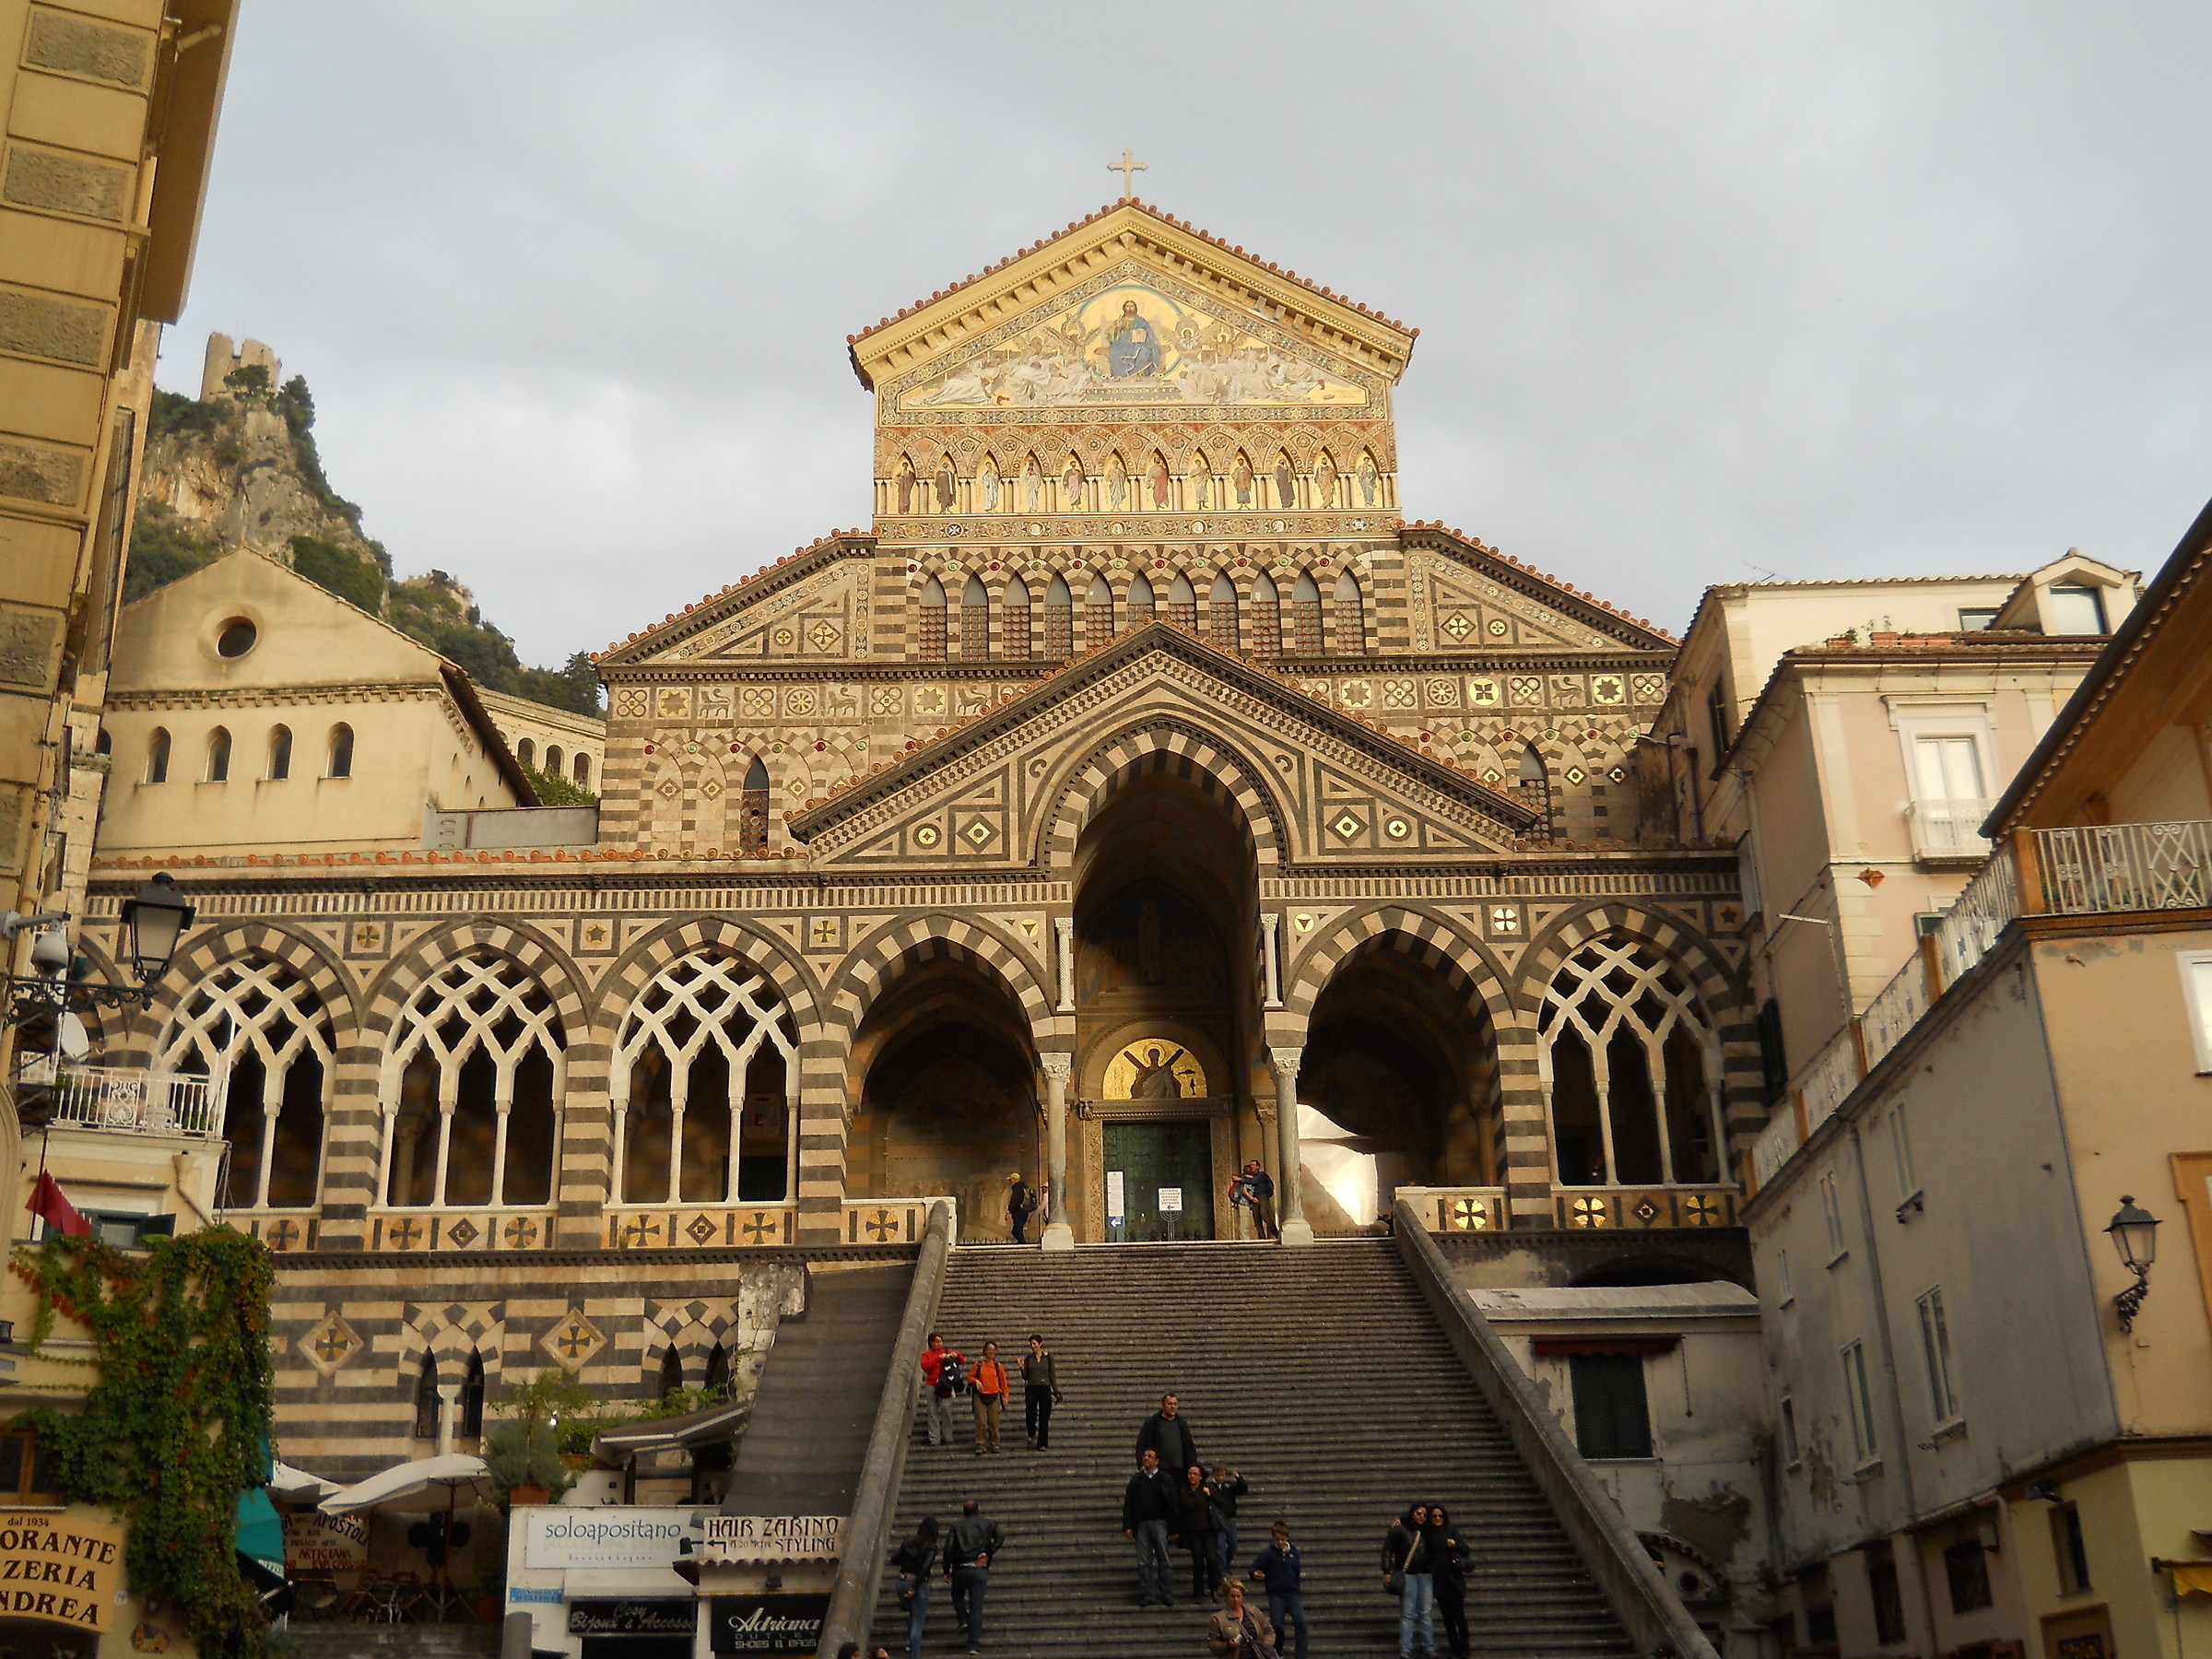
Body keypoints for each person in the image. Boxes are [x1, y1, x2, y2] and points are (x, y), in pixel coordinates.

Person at [1122, 1446, 1179, 1607]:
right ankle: (1148, 1594)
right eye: (1145, 1456)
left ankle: (1167, 1593)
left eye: (1150, 1456)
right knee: (1143, 1561)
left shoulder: (1165, 1479)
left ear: (1157, 1461)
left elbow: (1173, 1503)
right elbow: (1128, 1503)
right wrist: (1128, 1525)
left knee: (1164, 1559)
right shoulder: (1136, 1480)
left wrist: (1174, 1527)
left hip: (1160, 1522)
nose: (1146, 1458)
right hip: (1141, 1524)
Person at [945, 1499, 1003, 1655]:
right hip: (979, 1569)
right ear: (978, 1511)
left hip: (961, 1569)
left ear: (964, 1513)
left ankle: (963, 1619)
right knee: (976, 1608)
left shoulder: (956, 1526)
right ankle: (973, 1645)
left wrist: (946, 1570)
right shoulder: (989, 1523)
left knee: (956, 1594)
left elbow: (948, 1548)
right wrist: (988, 1552)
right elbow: (1000, 1536)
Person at [1248, 1520, 1309, 1659]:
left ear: (1287, 1538)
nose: (1280, 1542)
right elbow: (1253, 1568)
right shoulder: (1268, 1554)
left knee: (1300, 1622)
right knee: (1276, 1625)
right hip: (1276, 1594)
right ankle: (1277, 1652)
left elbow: (1296, 1571)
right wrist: (1255, 1574)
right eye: (1277, 1540)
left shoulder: (1294, 1552)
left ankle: (1301, 1655)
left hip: (1292, 1593)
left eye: (1282, 1539)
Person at [1383, 1504, 1436, 1659]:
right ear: (1412, 1513)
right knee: (1408, 1613)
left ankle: (1429, 1647)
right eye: (1418, 1513)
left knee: (1426, 1613)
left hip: (1425, 1574)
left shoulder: (1429, 1531)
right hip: (1408, 1575)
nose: (1422, 1517)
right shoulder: (1400, 1530)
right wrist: (1386, 1570)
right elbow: (1387, 1549)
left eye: (1424, 1514)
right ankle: (1405, 1648)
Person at [889, 1516, 940, 1659]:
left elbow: (894, 1559)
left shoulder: (908, 1541)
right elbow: (925, 1568)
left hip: (901, 1582)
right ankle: (914, 1654)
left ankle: (909, 1640)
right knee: (918, 1620)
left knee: (912, 1611)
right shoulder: (931, 1547)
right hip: (918, 1584)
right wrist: (915, 1587)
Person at [1426, 1503, 1469, 1659]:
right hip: (1439, 1580)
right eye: (1434, 1516)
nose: (1438, 1518)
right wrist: (1400, 1519)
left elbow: (1465, 1549)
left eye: (1440, 1516)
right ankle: (1455, 1648)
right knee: (1447, 1618)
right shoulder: (1428, 1533)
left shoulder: (1451, 1531)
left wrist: (1454, 1545)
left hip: (1454, 1580)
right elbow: (1413, 1518)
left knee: (1459, 1615)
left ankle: (1464, 1648)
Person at [1175, 1464, 1220, 1601]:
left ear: (1201, 1477)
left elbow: (1221, 1502)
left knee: (1212, 1559)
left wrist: (1210, 1495)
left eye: (1195, 1474)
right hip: (1193, 1531)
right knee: (1198, 1562)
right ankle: (1198, 1592)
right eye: (1190, 1473)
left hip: (1208, 1530)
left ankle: (1214, 1588)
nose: (1192, 1476)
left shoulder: (1207, 1489)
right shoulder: (1183, 1491)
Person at [1206, 1580, 1277, 1659]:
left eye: (1238, 1596)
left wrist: (1264, 1646)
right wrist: (1228, 1645)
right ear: (1226, 1597)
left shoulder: (1253, 1612)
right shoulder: (1218, 1619)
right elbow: (1212, 1645)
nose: (1236, 1600)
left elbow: (1269, 1631)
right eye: (1232, 1596)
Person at [1135, 1392, 1198, 1478]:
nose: (1173, 1406)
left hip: (1180, 1471)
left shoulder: (1181, 1424)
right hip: (1159, 1471)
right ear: (1163, 1405)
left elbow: (1190, 1446)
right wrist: (1142, 1464)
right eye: (1170, 1404)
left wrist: (1192, 1465)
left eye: (1175, 1404)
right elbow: (1141, 1444)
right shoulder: (1152, 1423)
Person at [920, 1332, 965, 1448]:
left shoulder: (946, 1352)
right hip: (932, 1384)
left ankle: (948, 1435)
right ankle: (934, 1438)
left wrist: (955, 1355)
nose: (939, 1344)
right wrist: (938, 1359)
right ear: (931, 1343)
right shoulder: (926, 1355)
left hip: (945, 1385)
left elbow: (962, 1360)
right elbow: (925, 1366)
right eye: (937, 1341)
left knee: (946, 1408)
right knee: (932, 1411)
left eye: (940, 1341)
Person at [1207, 1464, 1250, 1588]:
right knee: (1220, 1546)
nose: (1220, 1477)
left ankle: (1224, 1565)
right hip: (1217, 1518)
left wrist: (1239, 1478)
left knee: (1233, 1544)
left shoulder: (1229, 1485)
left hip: (1230, 1517)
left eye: (1222, 1475)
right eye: (1218, 1475)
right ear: (1214, 1475)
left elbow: (1243, 1489)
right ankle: (1221, 1572)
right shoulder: (1210, 1486)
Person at [1020, 1333, 1058, 1451]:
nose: (1032, 1346)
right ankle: (1031, 1431)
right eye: (1031, 1344)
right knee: (1030, 1412)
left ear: (1040, 1344)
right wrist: (1022, 1368)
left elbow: (1052, 1375)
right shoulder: (1029, 1358)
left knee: (1044, 1416)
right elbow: (1025, 1376)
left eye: (1034, 1344)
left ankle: (1042, 1443)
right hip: (1032, 1387)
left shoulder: (1048, 1358)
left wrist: (1056, 1390)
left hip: (1044, 1388)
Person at [970, 1340, 1008, 1455]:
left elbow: (1003, 1382)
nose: (991, 1352)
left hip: (994, 1395)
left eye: (993, 1350)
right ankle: (980, 1444)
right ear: (985, 1351)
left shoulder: (998, 1366)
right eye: (989, 1349)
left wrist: (1005, 1396)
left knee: (993, 1421)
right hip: (980, 1396)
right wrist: (976, 1381)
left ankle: (994, 1443)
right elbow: (970, 1377)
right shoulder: (978, 1365)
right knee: (981, 1421)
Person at [1006, 1172, 1040, 1243]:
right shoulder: (1025, 1187)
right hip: (1025, 1211)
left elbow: (1015, 1199)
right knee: (1016, 1230)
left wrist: (1010, 1211)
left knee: (1017, 1230)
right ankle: (1022, 1243)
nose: (1010, 1182)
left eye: (1011, 1179)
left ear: (1014, 1179)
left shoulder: (1017, 1187)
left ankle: (1023, 1244)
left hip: (1019, 1211)